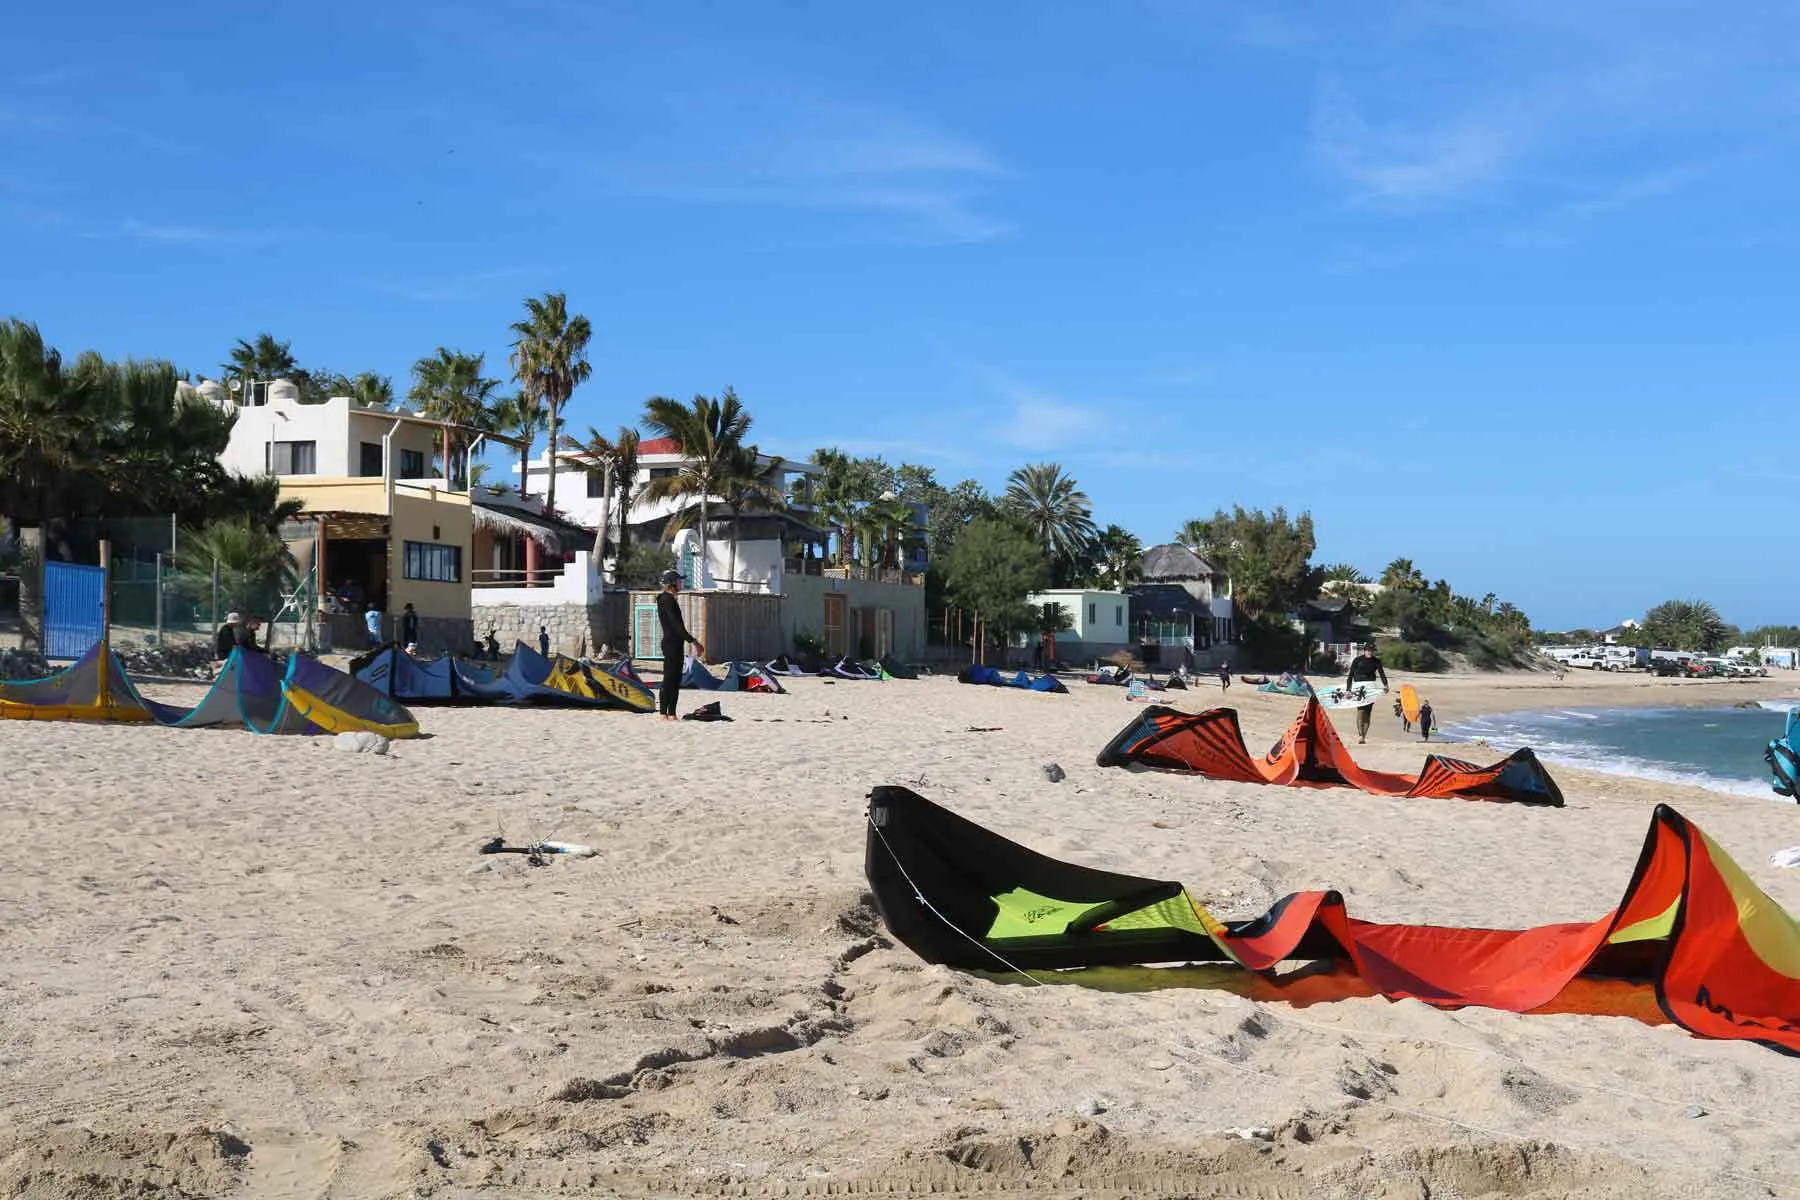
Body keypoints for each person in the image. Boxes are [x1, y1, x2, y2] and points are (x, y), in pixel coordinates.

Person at [656, 569, 703, 720]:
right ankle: (663, 713)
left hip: (677, 644)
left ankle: (672, 713)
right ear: (672, 584)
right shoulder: (665, 599)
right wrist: (694, 642)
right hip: (670, 644)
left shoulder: (671, 599)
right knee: (669, 679)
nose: (681, 583)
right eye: (678, 581)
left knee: (676, 680)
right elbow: (676, 626)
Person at [1345, 643, 1389, 745]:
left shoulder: (1376, 661)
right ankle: (1360, 734)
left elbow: (1382, 674)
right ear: (1364, 650)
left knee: (1368, 713)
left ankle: (1363, 737)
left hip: (1370, 689)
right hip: (1358, 689)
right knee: (1361, 711)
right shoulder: (1357, 660)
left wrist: (1386, 685)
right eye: (1368, 650)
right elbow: (1350, 675)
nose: (1370, 652)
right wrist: (1348, 689)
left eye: (1372, 650)